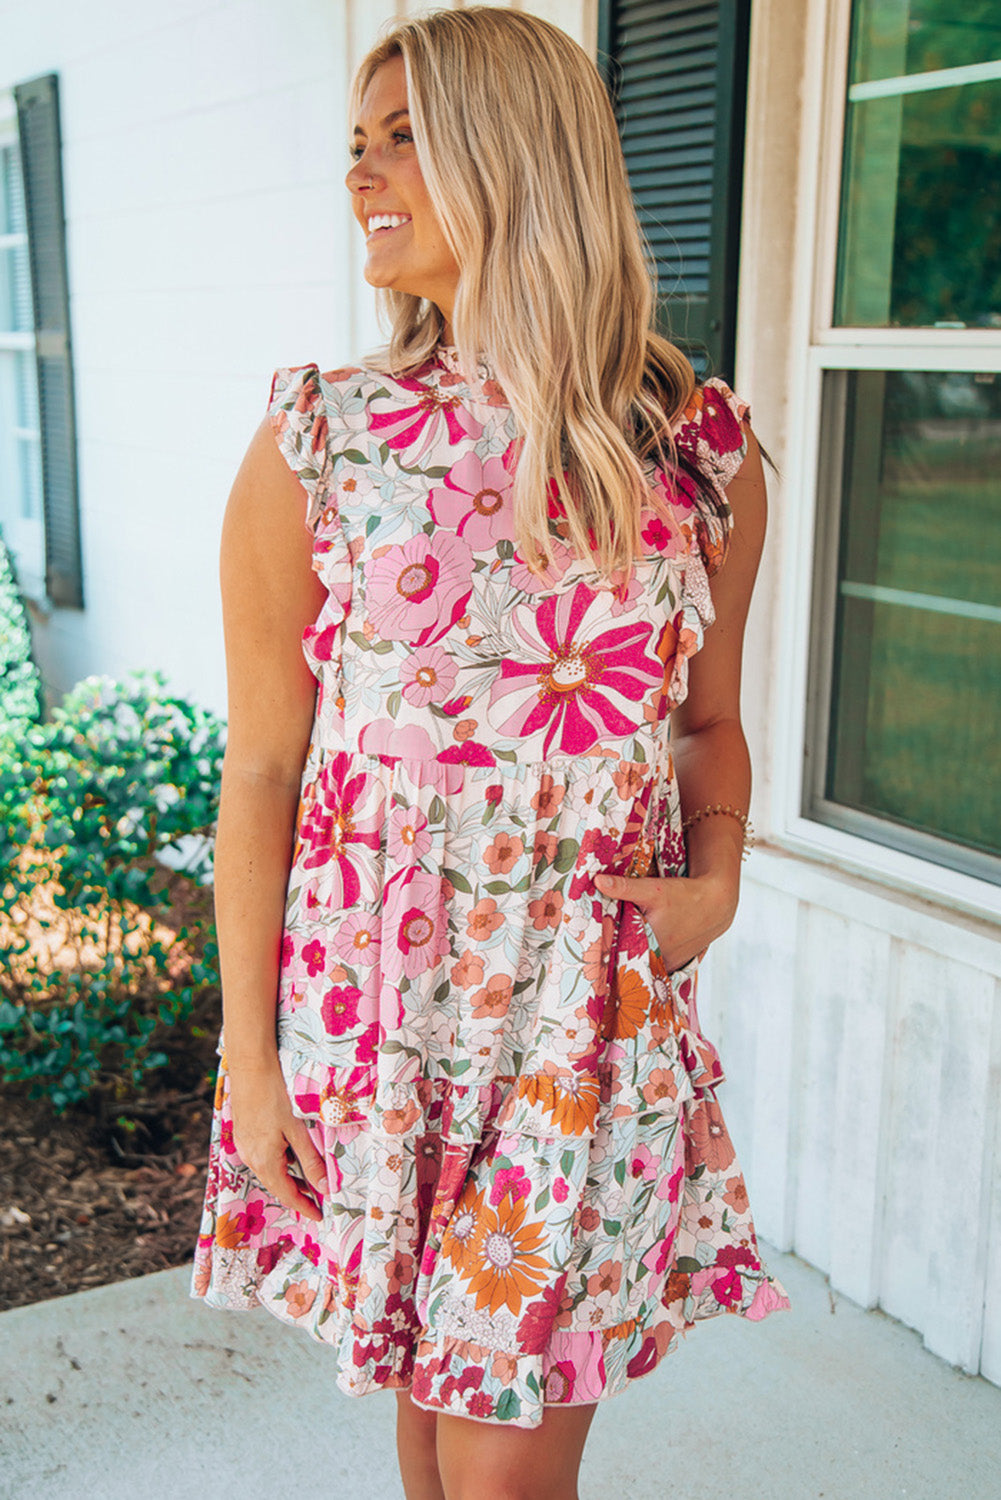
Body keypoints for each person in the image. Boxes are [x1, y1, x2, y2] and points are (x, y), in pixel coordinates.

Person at [190, 8, 790, 1498]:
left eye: (404, 138)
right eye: (355, 144)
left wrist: (714, 886)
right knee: (422, 1406)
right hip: (372, 1022)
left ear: (512, 157)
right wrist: (250, 1061)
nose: (364, 174)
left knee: (504, 1461)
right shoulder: (320, 441)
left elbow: (705, 728)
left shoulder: (689, 449)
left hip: (576, 1032)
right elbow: (262, 770)